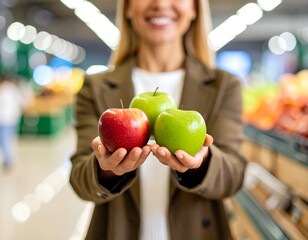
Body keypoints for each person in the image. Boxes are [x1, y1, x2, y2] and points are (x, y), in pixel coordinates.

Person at [70, 0, 246, 239]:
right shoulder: (95, 87)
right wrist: (107, 170)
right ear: (129, 7)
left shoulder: (224, 86)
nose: (161, 3)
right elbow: (80, 180)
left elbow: (234, 176)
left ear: (195, 8)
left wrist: (201, 164)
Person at [0, 75, 25, 168]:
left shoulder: (3, 90)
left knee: (4, 140)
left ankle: (8, 160)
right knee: (9, 139)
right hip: (13, 119)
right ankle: (9, 159)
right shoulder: (14, 89)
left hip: (4, 119)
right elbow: (23, 103)